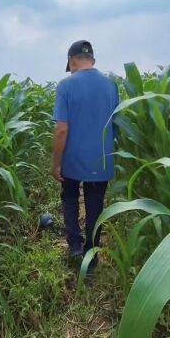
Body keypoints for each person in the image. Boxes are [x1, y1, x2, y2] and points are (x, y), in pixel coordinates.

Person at [52, 40, 119, 269]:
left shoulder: (65, 86)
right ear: (93, 60)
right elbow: (115, 127)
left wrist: (56, 164)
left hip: (72, 158)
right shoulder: (111, 86)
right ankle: (92, 257)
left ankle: (74, 247)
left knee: (70, 196)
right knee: (95, 205)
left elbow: (61, 129)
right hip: (101, 158)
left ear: (71, 61)